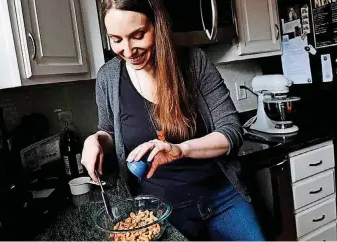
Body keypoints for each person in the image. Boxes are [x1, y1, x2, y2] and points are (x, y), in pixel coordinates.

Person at [81, 0, 265, 240]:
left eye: (138, 35)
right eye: (116, 39)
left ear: (158, 25)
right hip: (160, 210)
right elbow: (109, 132)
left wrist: (181, 149)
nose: (127, 50)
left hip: (222, 198)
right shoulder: (108, 77)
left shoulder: (194, 62)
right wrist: (95, 140)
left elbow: (231, 131)